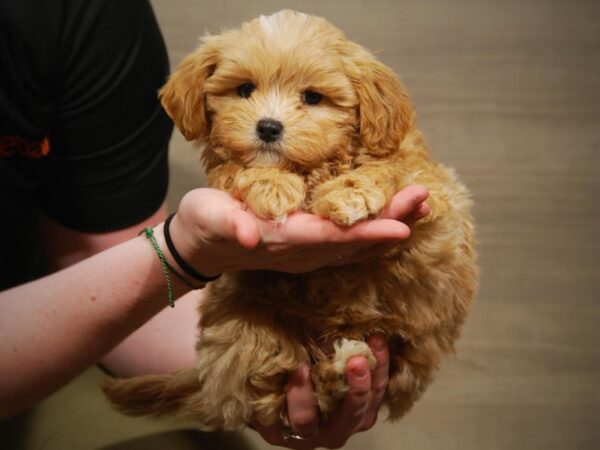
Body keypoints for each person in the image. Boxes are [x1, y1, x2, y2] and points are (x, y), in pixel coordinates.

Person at [0, 0, 430, 448]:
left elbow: (101, 253)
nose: (270, 119)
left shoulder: (89, 14)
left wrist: (254, 377)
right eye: (244, 89)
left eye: (311, 97)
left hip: (44, 320)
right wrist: (183, 251)